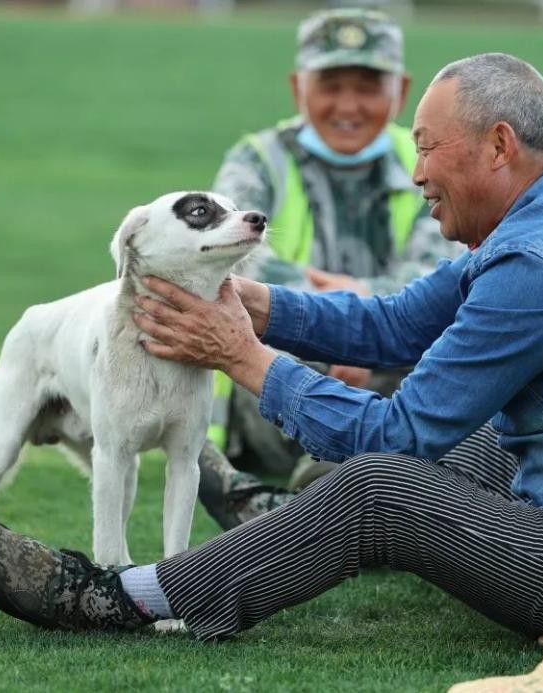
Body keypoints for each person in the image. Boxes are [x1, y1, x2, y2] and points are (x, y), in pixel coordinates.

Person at [0, 53, 543, 642]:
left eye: (428, 147)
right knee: (475, 440)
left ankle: (122, 596)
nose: (415, 172)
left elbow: (400, 434)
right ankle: (287, 522)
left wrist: (242, 357)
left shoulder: (541, 267)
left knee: (379, 486)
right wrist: (257, 307)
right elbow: (395, 325)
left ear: (497, 145)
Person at [198, 7, 459, 530]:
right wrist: (341, 324)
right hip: (285, 375)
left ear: (402, 91)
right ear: (299, 87)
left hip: (396, 366)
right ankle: (362, 486)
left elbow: (448, 268)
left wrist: (365, 319)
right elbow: (231, 259)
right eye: (331, 86)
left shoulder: (432, 158)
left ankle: (317, 494)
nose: (348, 106)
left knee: (452, 350)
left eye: (367, 87)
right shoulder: (257, 160)